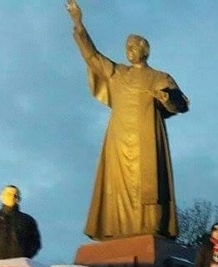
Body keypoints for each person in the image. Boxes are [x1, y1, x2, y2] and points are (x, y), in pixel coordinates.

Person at [67, 0, 189, 240]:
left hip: (147, 137)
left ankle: (150, 228)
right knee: (117, 184)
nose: (129, 49)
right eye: (127, 46)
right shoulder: (118, 73)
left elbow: (181, 103)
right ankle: (115, 228)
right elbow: (92, 56)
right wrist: (78, 23)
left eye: (133, 45)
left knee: (148, 185)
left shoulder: (159, 76)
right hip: (120, 137)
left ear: (145, 50)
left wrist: (167, 97)